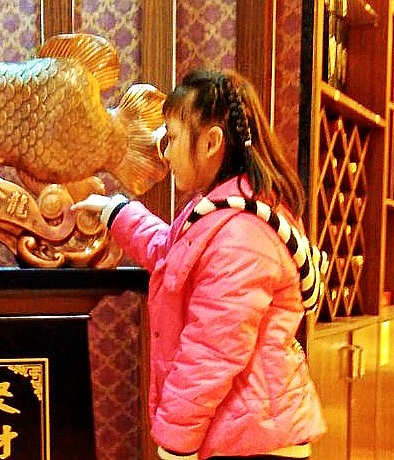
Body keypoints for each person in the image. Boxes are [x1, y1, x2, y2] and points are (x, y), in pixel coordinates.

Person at [72, 69, 326, 459]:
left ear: (211, 143)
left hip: (252, 444)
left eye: (172, 138)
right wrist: (115, 212)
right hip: (244, 434)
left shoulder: (240, 235)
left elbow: (211, 353)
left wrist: (176, 445)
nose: (166, 152)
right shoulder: (227, 212)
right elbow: (173, 254)